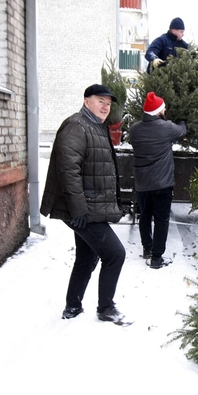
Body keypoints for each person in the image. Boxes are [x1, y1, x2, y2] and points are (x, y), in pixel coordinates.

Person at [40, 84, 128, 324]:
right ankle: (106, 308)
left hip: (88, 206)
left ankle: (73, 306)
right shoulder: (76, 125)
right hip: (81, 209)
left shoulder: (96, 127)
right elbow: (68, 170)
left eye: (108, 104)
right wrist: (78, 209)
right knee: (115, 254)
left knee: (87, 258)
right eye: (101, 101)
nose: (105, 107)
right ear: (86, 100)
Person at [129, 92, 187, 269]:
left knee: (145, 215)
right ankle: (156, 258)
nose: (166, 110)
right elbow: (182, 130)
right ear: (158, 111)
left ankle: (147, 248)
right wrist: (183, 119)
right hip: (162, 183)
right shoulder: (167, 127)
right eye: (164, 108)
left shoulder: (134, 129)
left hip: (142, 183)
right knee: (161, 220)